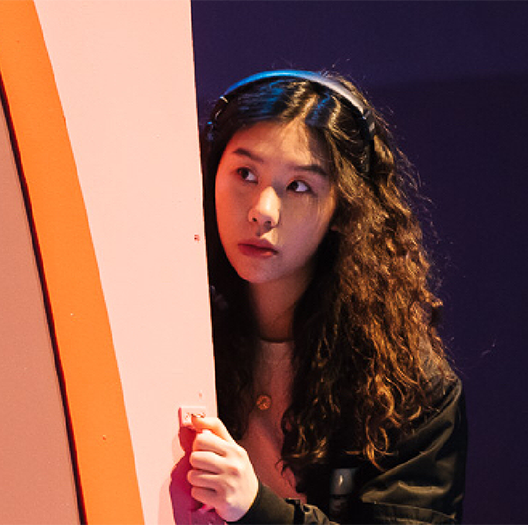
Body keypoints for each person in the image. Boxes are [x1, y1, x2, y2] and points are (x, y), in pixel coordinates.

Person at [187, 70, 467, 524]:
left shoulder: (407, 385)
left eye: (299, 186)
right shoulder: (173, 329)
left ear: (343, 208)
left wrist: (256, 508)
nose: (262, 211)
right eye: (245, 173)